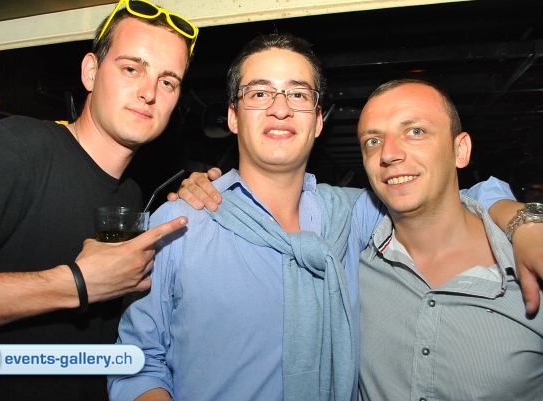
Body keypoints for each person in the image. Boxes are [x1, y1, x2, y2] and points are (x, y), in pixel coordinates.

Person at [109, 34, 518, 401]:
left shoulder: (353, 215)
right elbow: (137, 362)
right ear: (233, 116)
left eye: (298, 94)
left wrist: (525, 220)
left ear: (319, 120)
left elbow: (444, 196)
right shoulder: (179, 223)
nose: (280, 109)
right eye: (260, 93)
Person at [0, 1, 198, 400]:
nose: (148, 93)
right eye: (131, 69)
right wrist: (76, 282)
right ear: (90, 72)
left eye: (167, 82)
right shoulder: (16, 148)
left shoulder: (132, 195)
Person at [356, 80, 543, 400]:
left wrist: (525, 221)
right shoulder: (353, 263)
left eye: (415, 131)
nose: (388, 153)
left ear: (461, 150)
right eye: (373, 140)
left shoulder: (529, 264)